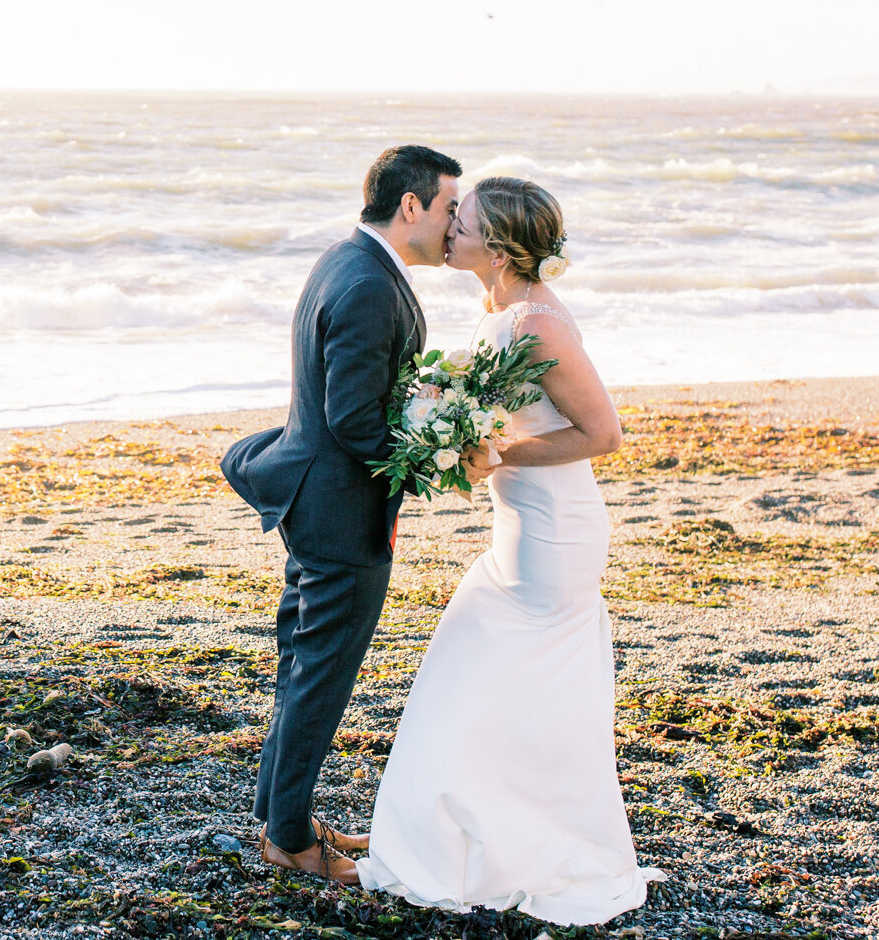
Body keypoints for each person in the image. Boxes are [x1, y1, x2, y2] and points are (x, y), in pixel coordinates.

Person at [354, 176, 663, 926]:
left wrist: (495, 451)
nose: (449, 224)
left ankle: (503, 844)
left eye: (463, 218)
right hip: (519, 527)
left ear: (494, 242)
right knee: (504, 680)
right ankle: (492, 836)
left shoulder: (537, 323)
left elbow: (603, 433)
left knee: (486, 668)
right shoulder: (499, 312)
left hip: (555, 533)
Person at [220, 144, 462, 884]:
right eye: (450, 207)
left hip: (314, 497)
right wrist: (436, 441)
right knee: (321, 674)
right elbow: (357, 420)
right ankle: (289, 839)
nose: (455, 223)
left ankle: (277, 813)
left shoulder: (348, 261)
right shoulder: (365, 284)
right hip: (337, 511)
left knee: (303, 664)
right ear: (411, 205)